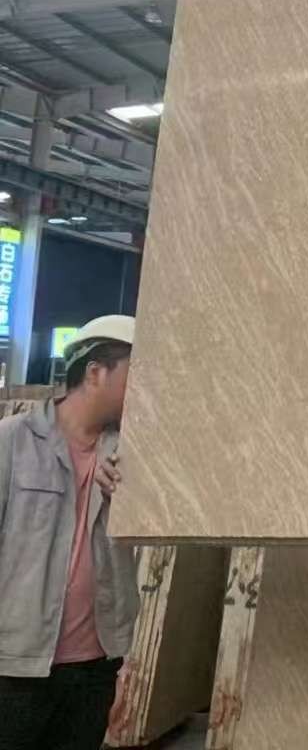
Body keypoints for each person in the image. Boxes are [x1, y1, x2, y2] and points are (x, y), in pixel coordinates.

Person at [0, 315, 140, 750]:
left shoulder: (131, 456)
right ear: (95, 372)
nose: (143, 388)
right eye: (134, 373)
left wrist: (133, 496)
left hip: (96, 665)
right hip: (16, 665)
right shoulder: (12, 442)